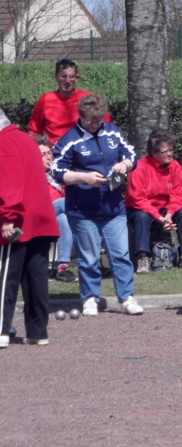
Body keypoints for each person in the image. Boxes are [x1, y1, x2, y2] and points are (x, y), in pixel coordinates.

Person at [50, 93, 143, 316]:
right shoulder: (69, 140)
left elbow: (131, 153)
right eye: (90, 120)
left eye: (98, 120)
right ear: (81, 117)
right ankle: (90, 297)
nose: (94, 124)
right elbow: (57, 171)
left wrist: (125, 164)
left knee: (120, 254)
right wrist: (84, 178)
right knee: (89, 257)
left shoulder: (113, 131)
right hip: (83, 210)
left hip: (114, 208)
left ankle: (126, 297)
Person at [0, 108, 60, 348]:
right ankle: (37, 330)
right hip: (39, 218)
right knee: (36, 277)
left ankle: (2, 329)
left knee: (7, 276)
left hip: (19, 219)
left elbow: (10, 182)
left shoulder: (5, 142)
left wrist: (8, 217)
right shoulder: (25, 139)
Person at [125, 129, 182, 272]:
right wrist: (159, 217)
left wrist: (169, 214)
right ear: (154, 152)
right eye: (165, 152)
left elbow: (179, 194)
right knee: (141, 216)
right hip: (139, 208)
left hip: (165, 209)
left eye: (171, 150)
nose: (170, 154)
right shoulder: (139, 167)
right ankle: (143, 258)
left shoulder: (175, 166)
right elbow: (139, 199)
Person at [29, 59, 112, 145]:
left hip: (84, 150)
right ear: (56, 77)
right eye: (63, 76)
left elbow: (107, 126)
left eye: (71, 76)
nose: (68, 81)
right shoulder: (45, 100)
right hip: (55, 151)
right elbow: (34, 131)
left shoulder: (88, 99)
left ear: (76, 78)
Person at [35, 134, 76, 283]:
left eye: (49, 153)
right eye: (43, 155)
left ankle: (62, 267)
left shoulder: (57, 175)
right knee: (68, 201)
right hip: (40, 216)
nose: (48, 157)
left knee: (64, 219)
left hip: (57, 217)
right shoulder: (34, 176)